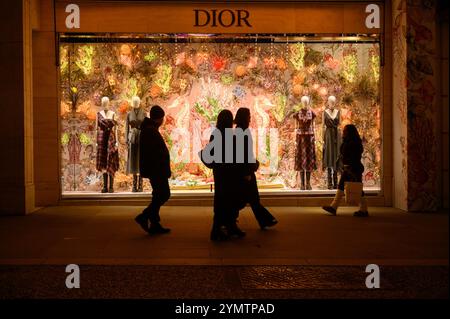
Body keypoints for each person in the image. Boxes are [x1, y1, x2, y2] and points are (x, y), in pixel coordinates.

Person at [201, 110, 244, 241]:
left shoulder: (216, 134)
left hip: (220, 172)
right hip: (230, 173)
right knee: (228, 200)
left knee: (222, 200)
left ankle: (221, 228)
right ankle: (223, 229)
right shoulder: (231, 135)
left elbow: (211, 153)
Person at [234, 107, 278, 229]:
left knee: (249, 198)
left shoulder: (241, 131)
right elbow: (243, 153)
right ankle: (231, 221)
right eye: (248, 115)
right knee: (249, 198)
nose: (250, 118)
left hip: (246, 169)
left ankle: (265, 220)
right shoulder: (241, 132)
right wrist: (247, 171)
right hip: (245, 170)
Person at [135, 105, 171, 234]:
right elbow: (154, 153)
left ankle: (154, 223)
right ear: (159, 118)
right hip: (156, 170)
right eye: (162, 118)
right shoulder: (150, 131)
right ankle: (144, 216)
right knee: (164, 194)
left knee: (158, 194)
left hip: (155, 169)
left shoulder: (149, 129)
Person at [322, 124, 369, 217]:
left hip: (353, 168)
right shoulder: (349, 141)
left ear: (349, 132)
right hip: (348, 168)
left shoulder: (354, 143)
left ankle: (363, 209)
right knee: (343, 187)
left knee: (357, 188)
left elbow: (354, 157)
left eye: (345, 131)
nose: (343, 132)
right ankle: (334, 207)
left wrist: (350, 167)